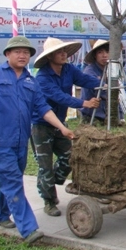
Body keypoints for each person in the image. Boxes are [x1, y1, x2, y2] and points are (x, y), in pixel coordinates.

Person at [0, 36, 75, 246]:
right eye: (17, 51)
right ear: (7, 54)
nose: (22, 55)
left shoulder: (30, 81)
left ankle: (0, 215)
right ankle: (29, 229)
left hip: (20, 141)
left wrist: (62, 127)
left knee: (12, 179)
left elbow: (43, 108)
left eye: (26, 52)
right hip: (0, 140)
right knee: (13, 181)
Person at [31, 37, 101, 216]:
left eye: (65, 52)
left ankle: (48, 181)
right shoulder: (43, 77)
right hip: (41, 125)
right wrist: (84, 103)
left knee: (70, 155)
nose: (64, 55)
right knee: (44, 164)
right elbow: (59, 97)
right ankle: (49, 200)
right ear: (49, 57)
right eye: (59, 52)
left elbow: (84, 80)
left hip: (60, 123)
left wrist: (104, 83)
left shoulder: (69, 69)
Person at [80, 39, 125, 125]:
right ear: (95, 55)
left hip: (108, 115)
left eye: (107, 52)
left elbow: (116, 96)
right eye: (100, 52)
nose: (104, 55)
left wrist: (121, 116)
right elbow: (101, 91)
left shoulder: (111, 71)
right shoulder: (89, 71)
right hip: (92, 116)